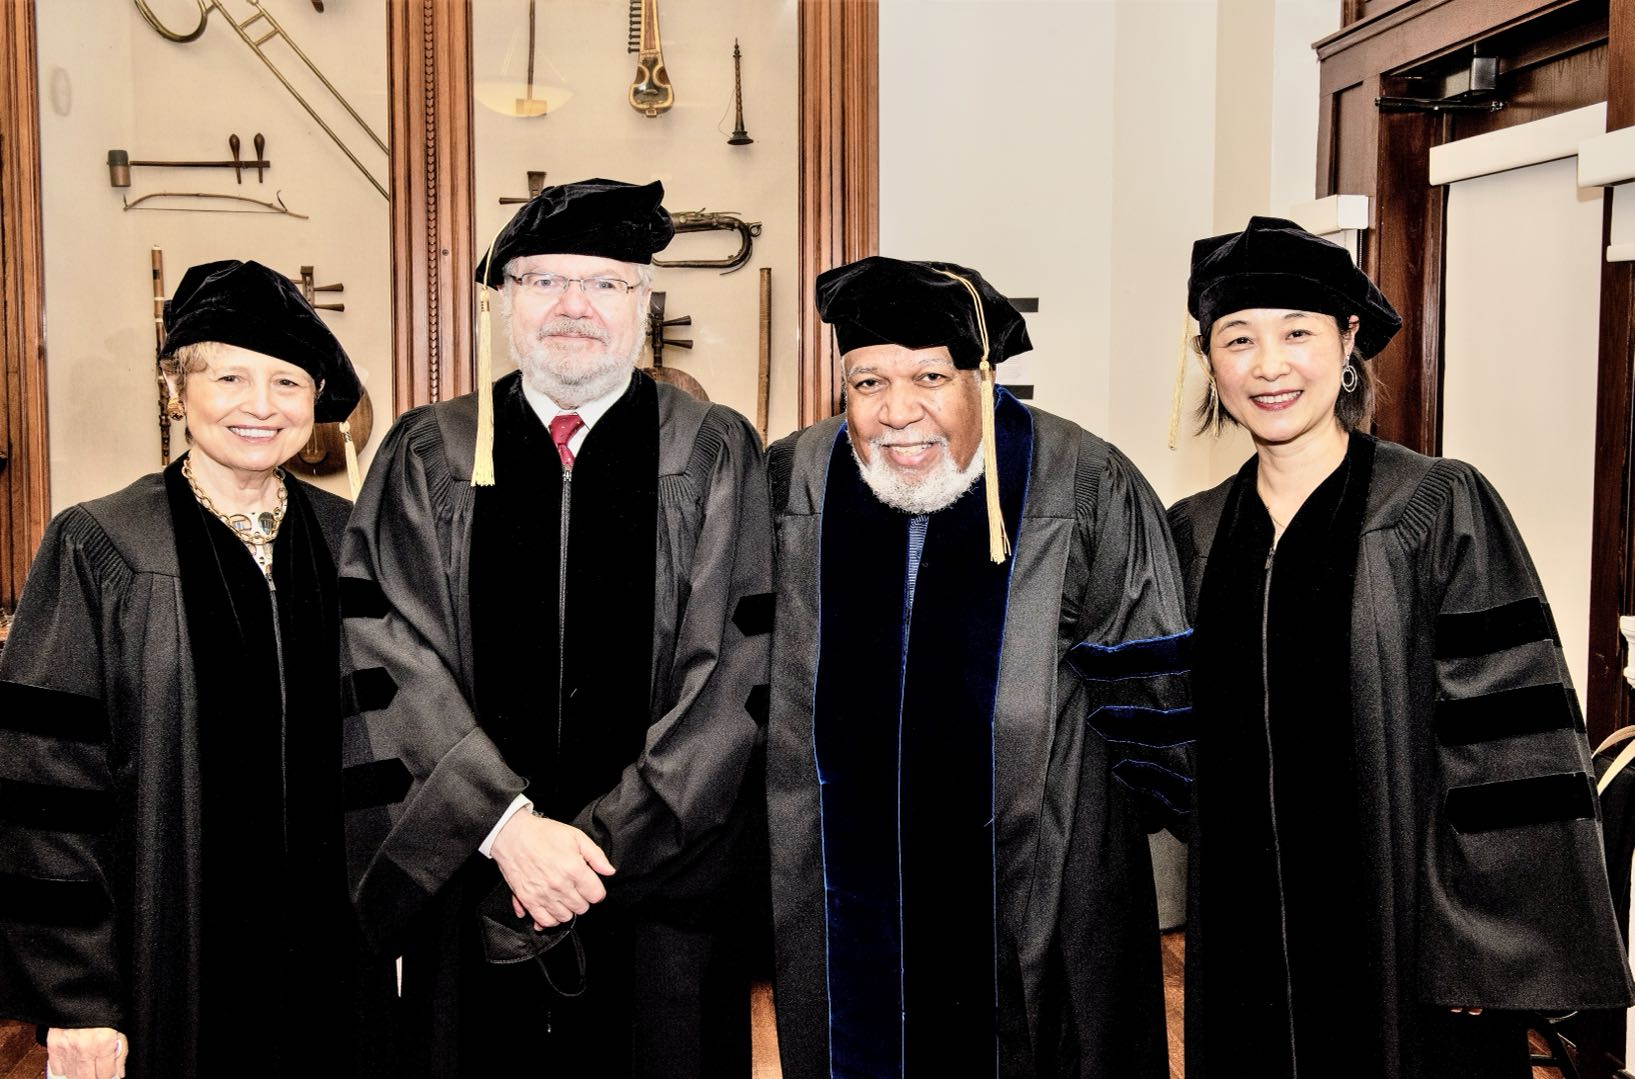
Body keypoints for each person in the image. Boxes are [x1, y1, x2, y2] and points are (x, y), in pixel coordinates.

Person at [1170, 216, 1635, 1079]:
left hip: (1409, 947)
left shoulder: (1434, 507)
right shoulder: (1192, 535)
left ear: (1347, 340)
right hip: (1242, 941)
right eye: (1238, 338)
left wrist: (1481, 943)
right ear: (1208, 360)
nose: (1268, 365)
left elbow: (1506, 748)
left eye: (1297, 333)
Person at [339, 177, 771, 1077]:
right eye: (543, 281)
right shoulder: (429, 451)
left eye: (605, 283)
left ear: (643, 302)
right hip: (476, 867)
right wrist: (505, 826)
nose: (574, 306)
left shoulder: (710, 448)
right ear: (505, 300)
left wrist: (597, 848)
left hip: (657, 883)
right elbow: (385, 652)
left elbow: (734, 671)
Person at [766, 255, 1191, 1078]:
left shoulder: (1082, 477)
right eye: (867, 382)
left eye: (929, 376)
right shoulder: (799, 476)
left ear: (982, 379)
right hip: (841, 879)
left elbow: (1153, 694)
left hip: (1033, 876)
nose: (897, 411)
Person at [0, 260, 394, 1077]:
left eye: (287, 381)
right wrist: (76, 996)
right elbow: (45, 782)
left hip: (336, 966)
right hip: (167, 961)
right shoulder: (101, 546)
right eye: (230, 377)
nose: (261, 405)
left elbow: (396, 753)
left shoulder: (352, 540)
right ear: (178, 390)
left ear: (314, 402)